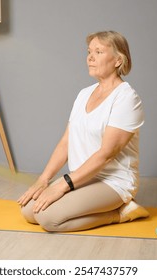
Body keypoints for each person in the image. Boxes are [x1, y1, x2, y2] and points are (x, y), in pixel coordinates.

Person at [17, 31, 149, 232]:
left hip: (113, 182)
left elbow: (106, 155)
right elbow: (65, 143)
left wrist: (62, 184)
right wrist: (43, 180)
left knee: (49, 219)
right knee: (28, 211)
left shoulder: (127, 98)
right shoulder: (83, 94)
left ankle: (121, 212)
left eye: (98, 52)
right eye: (89, 51)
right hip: (84, 177)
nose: (90, 57)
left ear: (118, 60)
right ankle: (95, 204)